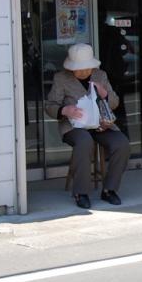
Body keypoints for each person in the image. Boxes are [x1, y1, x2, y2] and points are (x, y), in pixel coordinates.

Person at [45, 43, 130, 209]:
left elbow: (114, 102)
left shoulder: (100, 75)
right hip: (74, 126)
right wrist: (64, 110)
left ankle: (109, 189)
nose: (84, 72)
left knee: (122, 143)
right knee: (84, 142)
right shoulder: (61, 78)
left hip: (101, 125)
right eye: (80, 68)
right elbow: (50, 105)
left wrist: (105, 94)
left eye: (87, 68)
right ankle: (81, 192)